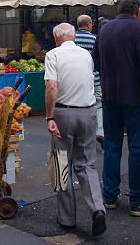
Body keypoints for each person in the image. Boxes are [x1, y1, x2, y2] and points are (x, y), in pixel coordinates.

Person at [97, 0, 140, 217]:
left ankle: (109, 197)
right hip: (134, 97)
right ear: (138, 11)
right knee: (137, 147)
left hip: (110, 96)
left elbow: (95, 62)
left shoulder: (105, 30)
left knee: (112, 144)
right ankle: (137, 200)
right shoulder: (138, 30)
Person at [45, 23, 106, 236]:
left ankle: (67, 217)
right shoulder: (86, 55)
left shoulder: (53, 55)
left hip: (63, 113)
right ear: (74, 37)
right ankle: (97, 208)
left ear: (56, 38)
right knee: (87, 164)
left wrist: (50, 115)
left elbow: (52, 86)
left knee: (63, 164)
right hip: (88, 112)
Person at [74, 15, 102, 147]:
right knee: (98, 106)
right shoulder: (96, 39)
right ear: (90, 24)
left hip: (77, 80)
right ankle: (100, 131)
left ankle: (81, 134)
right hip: (95, 79)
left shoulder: (72, 39)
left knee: (78, 106)